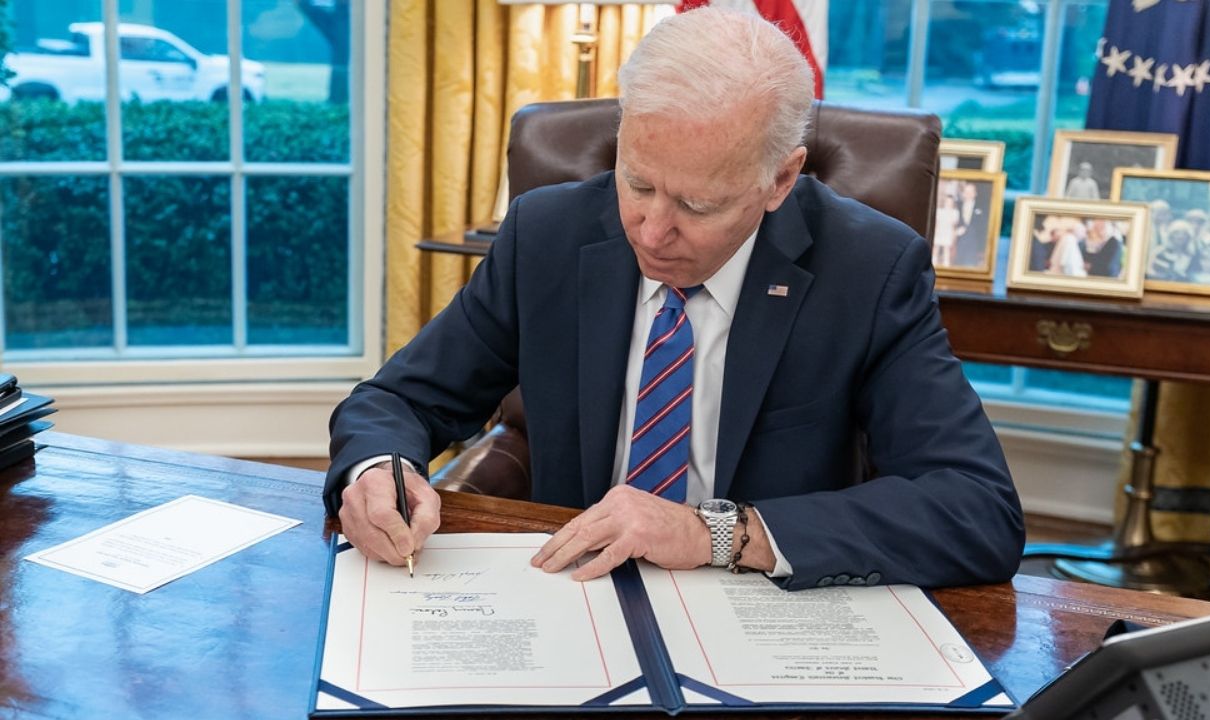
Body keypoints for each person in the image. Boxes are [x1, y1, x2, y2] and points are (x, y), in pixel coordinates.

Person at [325, 7, 1024, 591]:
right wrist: (375, 472)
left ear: (780, 180)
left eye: (698, 202)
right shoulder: (548, 234)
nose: (653, 232)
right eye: (638, 183)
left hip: (763, 612)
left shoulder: (868, 269)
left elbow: (977, 509)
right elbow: (399, 401)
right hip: (576, 596)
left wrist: (715, 533)